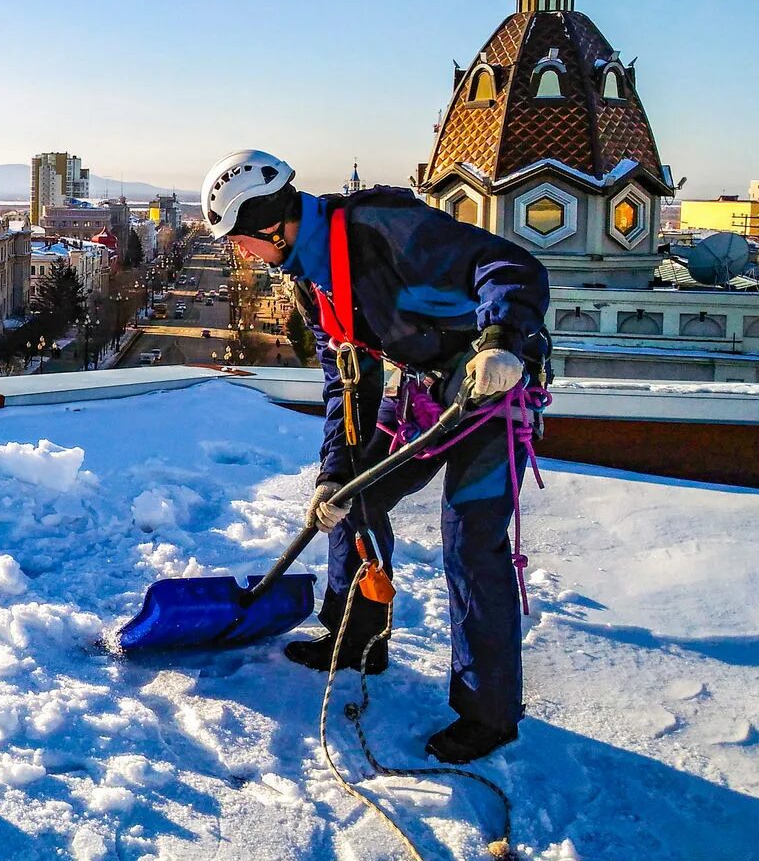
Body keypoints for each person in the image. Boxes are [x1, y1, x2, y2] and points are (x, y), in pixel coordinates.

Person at [201, 149, 549, 764]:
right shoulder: (313, 284)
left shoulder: (383, 229)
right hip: (426, 389)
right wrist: (334, 472)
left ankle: (488, 714)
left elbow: (508, 266)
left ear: (269, 225)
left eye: (239, 240)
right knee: (351, 499)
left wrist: (501, 341)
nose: (241, 253)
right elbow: (347, 385)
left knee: (471, 541)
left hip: (494, 387)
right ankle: (357, 640)